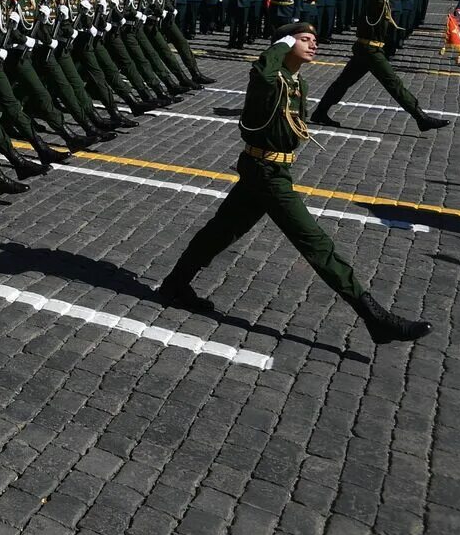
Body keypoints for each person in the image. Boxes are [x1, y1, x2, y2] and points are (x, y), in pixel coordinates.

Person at [155, 22, 431, 346]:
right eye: (304, 40)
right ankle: (376, 317)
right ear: (285, 45)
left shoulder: (298, 83)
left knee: (221, 230)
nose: (313, 45)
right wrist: (281, 44)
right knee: (316, 243)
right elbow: (261, 73)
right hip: (267, 173)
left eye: (315, 39)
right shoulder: (269, 80)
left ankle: (174, 284)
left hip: (272, 170)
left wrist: (289, 47)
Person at [310, 0, 450, 132]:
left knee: (343, 82)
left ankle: (320, 112)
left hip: (371, 49)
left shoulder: (388, 2)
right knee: (394, 83)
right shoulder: (376, 1)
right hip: (369, 50)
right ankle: (421, 118)